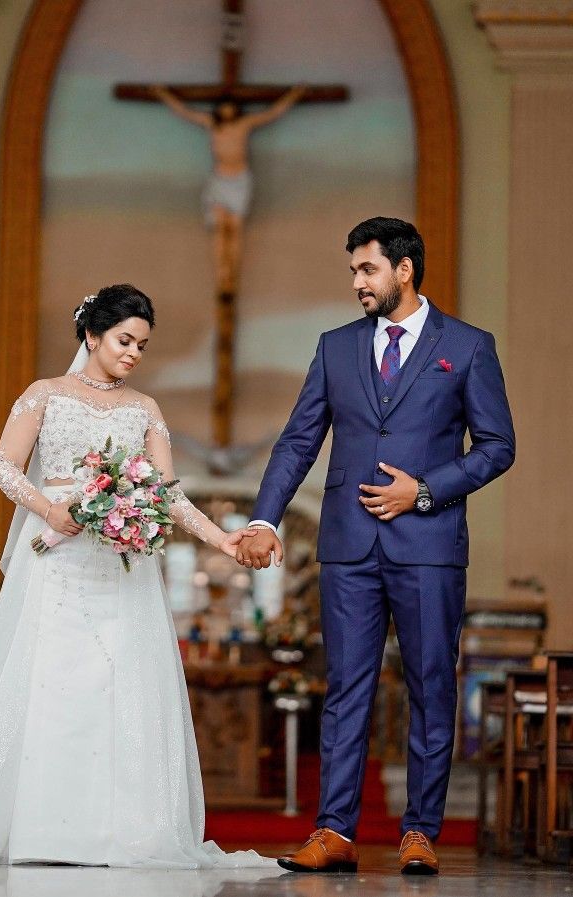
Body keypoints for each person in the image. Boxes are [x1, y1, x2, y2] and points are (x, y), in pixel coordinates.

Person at [0, 284, 272, 868]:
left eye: (142, 344)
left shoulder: (145, 410)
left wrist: (222, 538)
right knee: (51, 684)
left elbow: (166, 494)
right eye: (124, 340)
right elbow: (4, 466)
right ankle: (41, 831)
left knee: (119, 689)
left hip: (122, 566)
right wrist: (48, 508)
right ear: (92, 334)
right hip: (59, 561)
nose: (134, 353)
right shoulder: (45, 394)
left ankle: (117, 833)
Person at [237, 218, 515, 875]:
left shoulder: (468, 347)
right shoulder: (335, 348)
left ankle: (419, 832)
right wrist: (264, 520)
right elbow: (299, 440)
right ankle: (333, 830)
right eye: (354, 271)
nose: (358, 282)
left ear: (405, 269)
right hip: (349, 547)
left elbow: (498, 446)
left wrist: (424, 491)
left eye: (367, 270)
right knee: (345, 689)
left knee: (428, 687)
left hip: (429, 546)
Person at [152, 85, 306, 294]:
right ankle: (222, 272)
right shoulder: (211, 124)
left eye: (231, 106)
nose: (227, 110)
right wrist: (164, 95)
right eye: (224, 106)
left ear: (236, 109)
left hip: (239, 181)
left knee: (234, 229)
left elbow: (272, 113)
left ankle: (231, 272)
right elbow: (185, 112)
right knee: (219, 228)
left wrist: (293, 95)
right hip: (219, 180)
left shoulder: (245, 124)